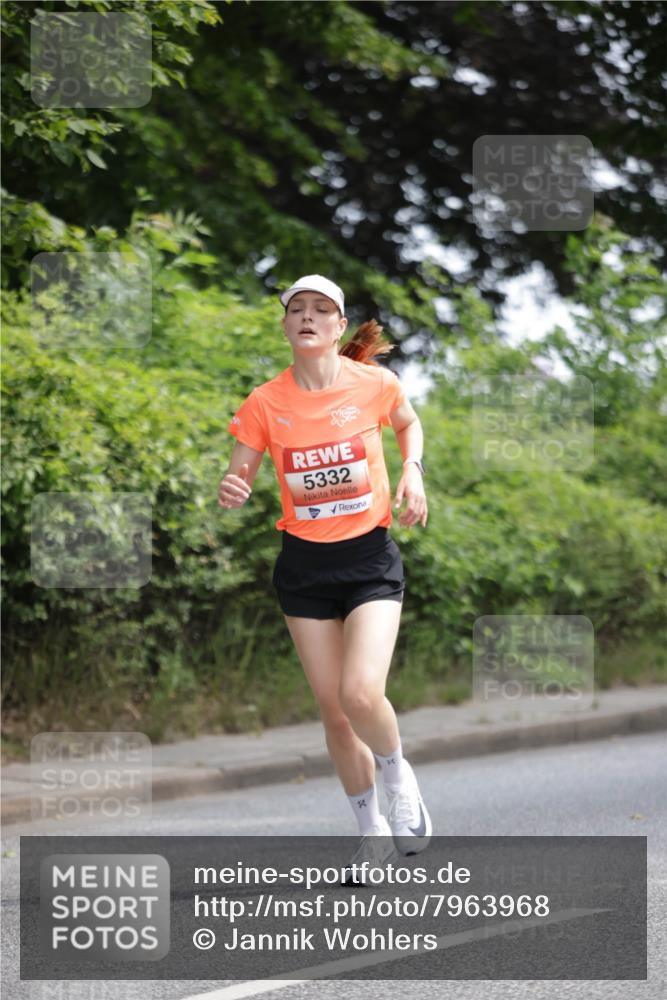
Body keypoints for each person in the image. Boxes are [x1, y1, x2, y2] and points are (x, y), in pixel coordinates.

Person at [218, 274, 432, 883]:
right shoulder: (265, 401)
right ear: (286, 326)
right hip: (304, 570)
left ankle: (397, 775)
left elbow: (408, 423)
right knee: (334, 713)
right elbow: (238, 474)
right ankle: (372, 837)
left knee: (360, 693)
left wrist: (412, 471)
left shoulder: (375, 383)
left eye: (323, 310)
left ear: (339, 327)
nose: (309, 317)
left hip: (368, 560)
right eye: (298, 310)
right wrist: (232, 488)